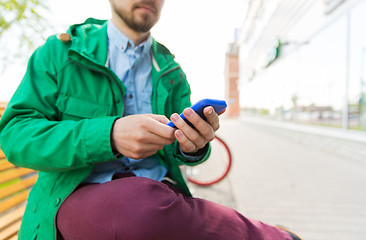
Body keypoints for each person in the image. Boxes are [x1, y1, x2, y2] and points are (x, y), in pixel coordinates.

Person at [0, 0, 302, 239]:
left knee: (148, 200)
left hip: (158, 197)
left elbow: (179, 153)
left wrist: (192, 146)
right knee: (138, 203)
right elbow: (16, 134)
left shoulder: (171, 71)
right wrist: (110, 135)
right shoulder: (62, 52)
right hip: (76, 196)